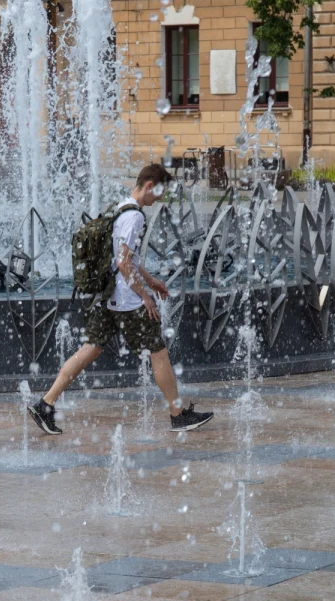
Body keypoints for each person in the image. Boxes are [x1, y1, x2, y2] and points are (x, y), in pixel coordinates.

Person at [27, 163, 214, 436]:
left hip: (109, 297)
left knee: (91, 348)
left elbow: (126, 258)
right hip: (127, 301)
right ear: (150, 185)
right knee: (159, 353)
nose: (158, 199)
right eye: (158, 192)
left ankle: (46, 404)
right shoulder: (134, 217)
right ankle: (177, 415)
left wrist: (151, 281)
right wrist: (145, 297)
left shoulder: (121, 207)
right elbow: (123, 263)